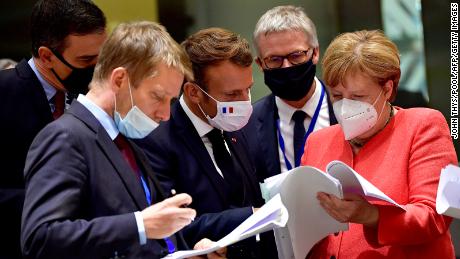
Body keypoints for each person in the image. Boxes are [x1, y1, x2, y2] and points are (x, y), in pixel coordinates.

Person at [21, 21, 226, 259]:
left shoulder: (125, 137)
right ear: (119, 80)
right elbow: (40, 238)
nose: (165, 114)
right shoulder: (65, 136)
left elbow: (145, 236)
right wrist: (139, 225)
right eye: (158, 96)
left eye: (170, 101)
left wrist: (185, 251)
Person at [301, 30, 457, 258]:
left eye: (357, 97)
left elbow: (438, 215)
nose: (345, 107)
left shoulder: (425, 125)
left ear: (388, 89)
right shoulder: (318, 141)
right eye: (337, 96)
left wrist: (371, 215)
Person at [135, 28, 273, 258]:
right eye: (231, 95)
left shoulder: (233, 125)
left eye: (247, 90)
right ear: (193, 92)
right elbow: (168, 226)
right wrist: (253, 215)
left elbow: (246, 195)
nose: (244, 103)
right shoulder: (155, 140)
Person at [0, 1, 106, 258]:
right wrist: (65, 201)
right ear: (46, 56)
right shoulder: (4, 93)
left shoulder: (99, 95)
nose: (97, 69)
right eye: (86, 60)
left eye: (102, 58)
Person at [245, 5, 337, 182]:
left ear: (315, 52)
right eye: (274, 59)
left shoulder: (346, 108)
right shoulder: (246, 124)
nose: (286, 66)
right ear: (260, 64)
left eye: (296, 55)